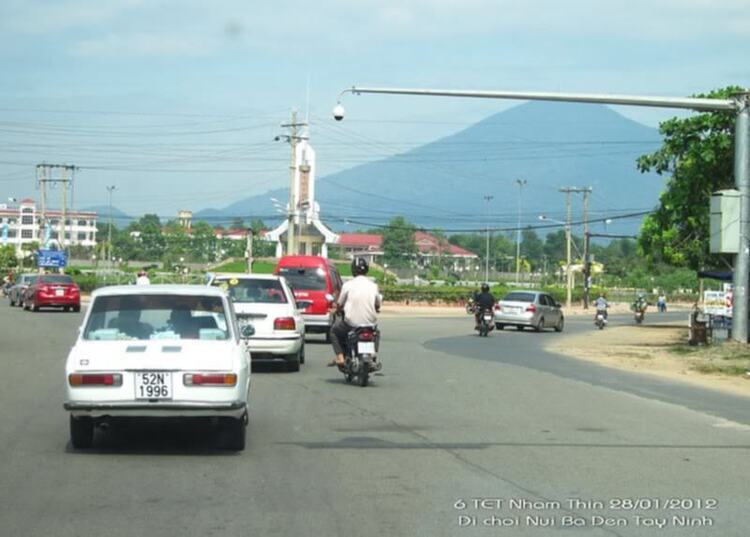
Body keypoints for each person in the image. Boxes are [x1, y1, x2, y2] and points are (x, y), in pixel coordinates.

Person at [328, 257, 381, 367]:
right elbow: (377, 304)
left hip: (351, 324)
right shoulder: (373, 286)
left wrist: (337, 310)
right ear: (366, 270)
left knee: (334, 331)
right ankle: (373, 354)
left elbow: (339, 303)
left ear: (353, 270)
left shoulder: (348, 285)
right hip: (370, 324)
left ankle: (340, 357)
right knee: (376, 334)